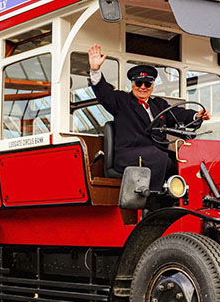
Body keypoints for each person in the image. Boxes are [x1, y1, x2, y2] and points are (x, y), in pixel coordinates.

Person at [88, 44, 210, 191]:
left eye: (147, 83)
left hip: (155, 153)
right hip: (129, 155)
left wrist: (197, 115)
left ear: (152, 86)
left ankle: (183, 197)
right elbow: (104, 93)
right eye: (139, 83)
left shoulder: (159, 104)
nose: (143, 87)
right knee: (162, 159)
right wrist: (95, 70)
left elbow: (177, 114)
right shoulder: (121, 101)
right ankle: (152, 198)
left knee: (185, 161)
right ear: (133, 84)